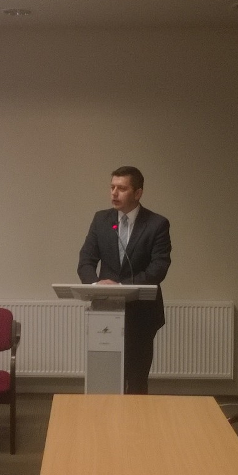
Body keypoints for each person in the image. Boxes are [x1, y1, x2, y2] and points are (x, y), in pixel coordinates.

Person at [77, 166, 172, 394]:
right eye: (112, 187)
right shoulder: (101, 220)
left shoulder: (156, 224)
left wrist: (122, 287)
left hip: (142, 313)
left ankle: (136, 417)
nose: (114, 193)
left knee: (136, 378)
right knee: (107, 377)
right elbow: (86, 261)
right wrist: (96, 285)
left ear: (138, 193)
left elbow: (159, 267)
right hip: (105, 309)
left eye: (121, 188)